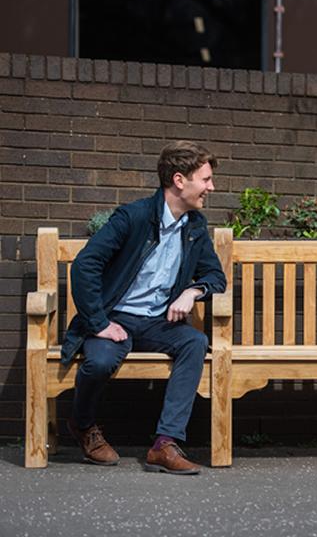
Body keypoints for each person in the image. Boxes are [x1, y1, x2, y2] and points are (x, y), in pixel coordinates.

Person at [62, 140, 226, 474]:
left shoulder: (194, 227)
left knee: (194, 342)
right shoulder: (133, 217)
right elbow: (84, 266)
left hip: (156, 322)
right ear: (180, 180)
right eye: (205, 179)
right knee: (100, 362)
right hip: (116, 318)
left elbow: (215, 275)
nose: (211, 187)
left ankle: (165, 444)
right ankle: (83, 425)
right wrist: (99, 322)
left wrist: (193, 291)